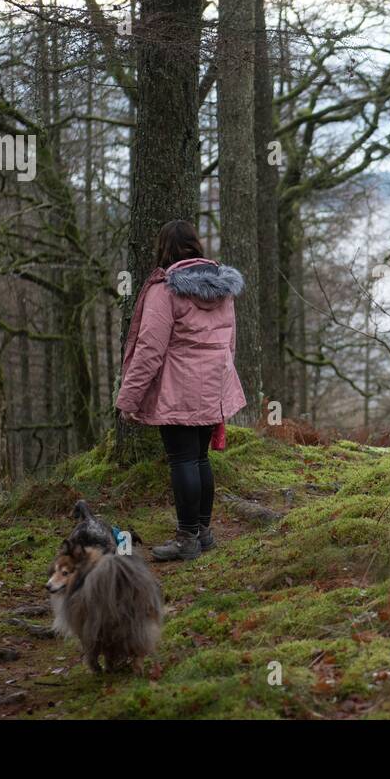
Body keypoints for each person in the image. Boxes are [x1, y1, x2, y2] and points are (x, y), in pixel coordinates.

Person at [115, 221, 246, 561]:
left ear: (165, 249)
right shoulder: (222, 288)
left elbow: (149, 350)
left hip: (179, 388)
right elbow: (229, 342)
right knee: (200, 457)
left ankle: (187, 538)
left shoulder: (166, 291)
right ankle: (203, 531)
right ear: (195, 245)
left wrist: (129, 398)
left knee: (184, 460)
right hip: (214, 385)